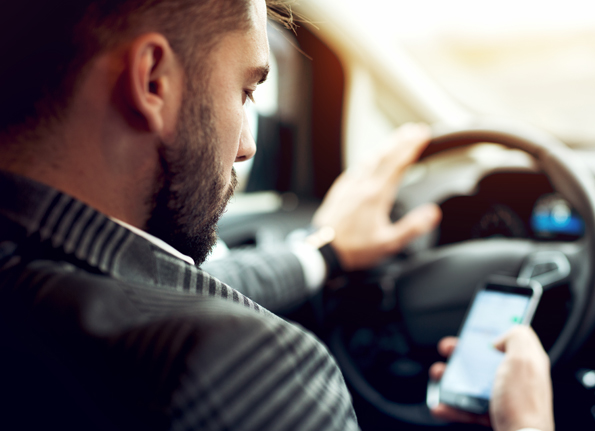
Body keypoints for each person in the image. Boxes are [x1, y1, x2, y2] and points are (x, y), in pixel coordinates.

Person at [0, 0, 553, 430]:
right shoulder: (242, 365)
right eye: (245, 91)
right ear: (152, 82)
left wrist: (327, 251)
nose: (246, 146)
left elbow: (182, 282)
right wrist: (526, 422)